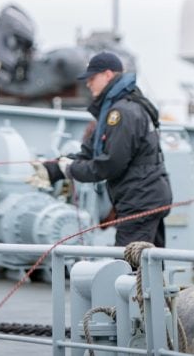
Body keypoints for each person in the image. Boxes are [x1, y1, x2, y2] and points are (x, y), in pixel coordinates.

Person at [32, 52, 173, 247]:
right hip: (145, 196)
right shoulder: (118, 108)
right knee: (150, 265)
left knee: (128, 265)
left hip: (140, 200)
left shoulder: (121, 113)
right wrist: (52, 169)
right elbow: (89, 153)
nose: (88, 84)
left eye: (92, 78)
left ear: (107, 75)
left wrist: (70, 169)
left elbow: (110, 164)